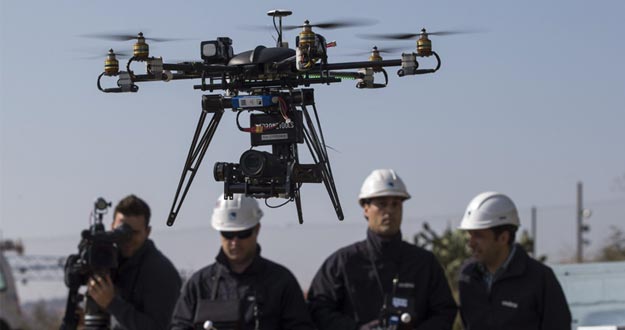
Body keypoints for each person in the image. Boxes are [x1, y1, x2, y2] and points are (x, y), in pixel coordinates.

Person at [307, 169, 457, 330]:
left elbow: (444, 311)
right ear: (365, 208)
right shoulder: (342, 263)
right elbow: (318, 309)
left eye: (395, 204)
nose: (389, 211)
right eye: (382, 204)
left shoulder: (424, 263)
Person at [170, 194, 315, 330]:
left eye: (242, 233)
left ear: (257, 229)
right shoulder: (200, 284)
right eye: (228, 234)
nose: (234, 242)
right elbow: (180, 325)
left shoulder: (281, 282)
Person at [457, 191, 571, 330]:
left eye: (479, 235)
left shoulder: (540, 278)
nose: (471, 243)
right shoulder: (467, 277)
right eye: (470, 234)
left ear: (503, 238)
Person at [87, 194, 182, 330]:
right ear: (112, 227)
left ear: (147, 232)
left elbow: (158, 327)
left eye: (135, 233)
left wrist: (112, 303)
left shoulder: (160, 272)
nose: (127, 238)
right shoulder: (111, 262)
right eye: (121, 232)